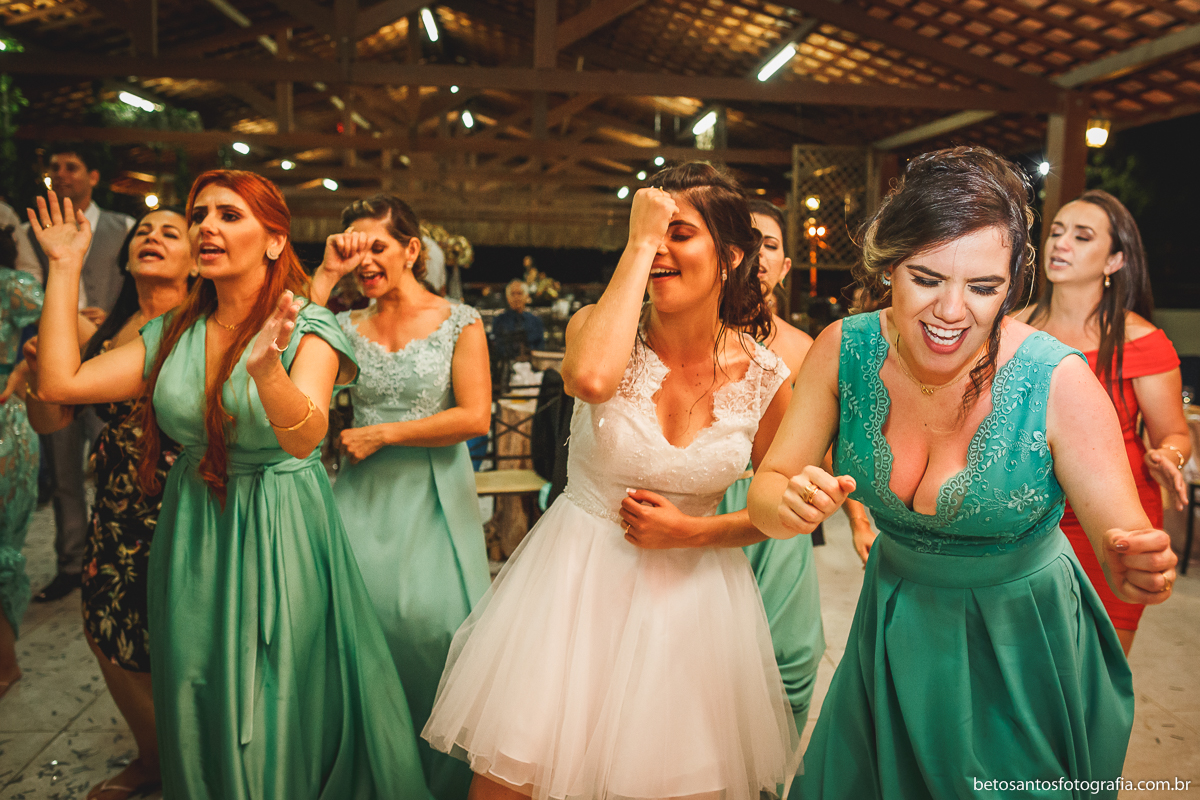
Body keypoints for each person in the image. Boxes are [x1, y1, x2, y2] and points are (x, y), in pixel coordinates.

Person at [747, 147, 1177, 799]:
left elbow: (1123, 534)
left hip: (1021, 653)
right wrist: (785, 505)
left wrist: (1136, 564)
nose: (951, 310)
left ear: (1013, 283)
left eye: (983, 288)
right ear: (889, 264)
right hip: (891, 637)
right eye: (926, 278)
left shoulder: (1059, 381)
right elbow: (769, 484)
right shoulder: (842, 349)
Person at [29, 173, 431, 800]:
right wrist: (63, 266)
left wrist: (268, 371)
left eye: (229, 214)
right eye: (200, 215)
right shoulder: (171, 333)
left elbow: (305, 436)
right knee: (196, 682)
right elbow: (60, 385)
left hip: (279, 522)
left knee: (272, 692)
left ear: (274, 241)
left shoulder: (310, 326)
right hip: (193, 526)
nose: (207, 226)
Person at [424, 162, 803, 800]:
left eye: (678, 233)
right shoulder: (594, 331)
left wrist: (692, 532)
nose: (659, 249)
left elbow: (777, 512)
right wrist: (640, 243)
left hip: (692, 608)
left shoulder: (767, 377)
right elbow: (592, 380)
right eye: (649, 233)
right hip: (572, 591)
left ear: (731, 256)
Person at [309, 194, 491, 800]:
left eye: (377, 246)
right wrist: (323, 280)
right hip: (362, 496)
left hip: (434, 493)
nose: (364, 261)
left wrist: (386, 433)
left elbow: (476, 416)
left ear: (411, 249)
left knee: (439, 630)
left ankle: (439, 776)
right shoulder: (342, 327)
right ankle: (377, 770)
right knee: (357, 627)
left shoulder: (460, 321)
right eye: (352, 249)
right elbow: (288, 362)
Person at [17, 208, 192, 800]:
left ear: (196, 260)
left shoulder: (201, 327)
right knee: (107, 630)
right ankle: (153, 756)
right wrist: (37, 371)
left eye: (170, 231)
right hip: (117, 506)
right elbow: (50, 417)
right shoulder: (105, 332)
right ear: (125, 255)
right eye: (144, 230)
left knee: (177, 638)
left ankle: (194, 759)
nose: (153, 236)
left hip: (183, 505)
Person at [713, 199, 874, 735]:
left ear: (785, 266)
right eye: (747, 242)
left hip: (774, 506)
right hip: (705, 499)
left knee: (793, 656)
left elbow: (827, 446)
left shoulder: (804, 347)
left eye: (771, 246)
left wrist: (857, 519)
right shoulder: (693, 334)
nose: (758, 256)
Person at [1020, 190, 1188, 656]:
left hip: (1114, 520)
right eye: (1056, 232)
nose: (1060, 243)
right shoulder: (1011, 331)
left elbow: (1174, 433)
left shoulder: (1141, 342)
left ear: (1115, 260)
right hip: (1027, 518)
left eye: (1082, 236)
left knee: (1096, 671)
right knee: (1025, 669)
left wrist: (1169, 456)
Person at [24, 144, 135, 603]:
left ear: (93, 176)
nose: (62, 174)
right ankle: (71, 562)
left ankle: (115, 559)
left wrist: (108, 320)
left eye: (72, 166)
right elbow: (27, 293)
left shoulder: (123, 226)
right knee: (64, 469)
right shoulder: (34, 231)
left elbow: (134, 288)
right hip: (59, 355)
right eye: (55, 167)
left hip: (111, 351)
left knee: (116, 462)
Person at [0, 225, 42, 698]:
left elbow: (61, 320)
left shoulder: (12, 285)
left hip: (3, 417)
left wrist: (21, 368)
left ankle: (4, 661)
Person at [489, 279, 544, 361]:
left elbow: (540, 347)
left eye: (519, 293)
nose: (516, 297)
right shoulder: (499, 320)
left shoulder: (535, 321)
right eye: (513, 294)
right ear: (508, 298)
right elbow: (496, 347)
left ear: (526, 296)